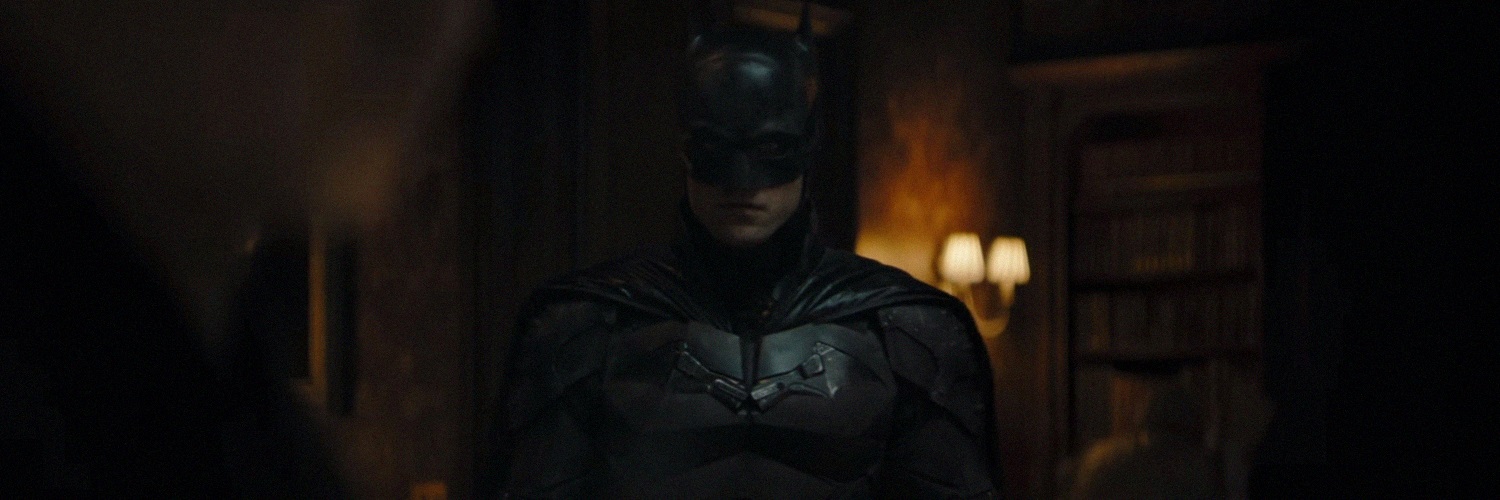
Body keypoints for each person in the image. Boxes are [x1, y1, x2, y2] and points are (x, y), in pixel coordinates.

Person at [491, 4, 999, 498]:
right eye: (716, 148)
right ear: (685, 148)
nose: (743, 184)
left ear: (807, 146)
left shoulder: (906, 328)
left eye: (771, 150)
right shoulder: (586, 324)